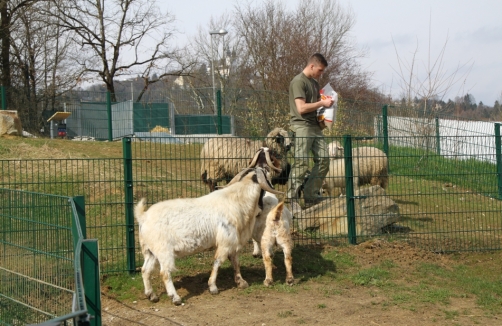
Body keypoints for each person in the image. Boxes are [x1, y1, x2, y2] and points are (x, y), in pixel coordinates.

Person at [287, 53, 334, 209]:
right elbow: (301, 108)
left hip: (315, 126)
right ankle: (292, 199)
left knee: (324, 159)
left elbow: (315, 105)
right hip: (302, 126)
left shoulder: (314, 83)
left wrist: (327, 107)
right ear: (312, 66)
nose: (321, 74)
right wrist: (322, 102)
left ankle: (311, 195)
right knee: (301, 162)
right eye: (320, 70)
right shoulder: (298, 82)